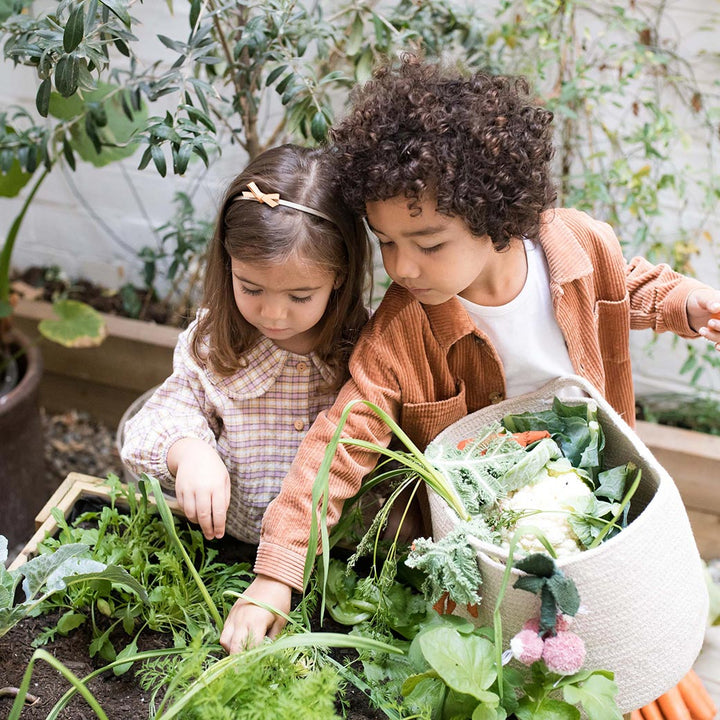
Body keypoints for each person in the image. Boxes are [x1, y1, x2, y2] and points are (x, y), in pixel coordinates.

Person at [219, 55, 720, 653]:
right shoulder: (402, 331)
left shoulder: (581, 246)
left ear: (494, 215)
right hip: (484, 545)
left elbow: (623, 289)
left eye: (428, 244)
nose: (401, 268)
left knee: (622, 640)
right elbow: (339, 441)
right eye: (386, 243)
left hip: (590, 496)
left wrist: (683, 302)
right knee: (515, 655)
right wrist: (277, 574)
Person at [121, 143, 371, 545]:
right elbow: (146, 430)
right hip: (229, 544)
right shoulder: (215, 345)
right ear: (229, 262)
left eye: (299, 297)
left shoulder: (362, 348)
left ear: (339, 276)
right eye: (251, 287)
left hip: (333, 557)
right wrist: (189, 453)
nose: (273, 314)